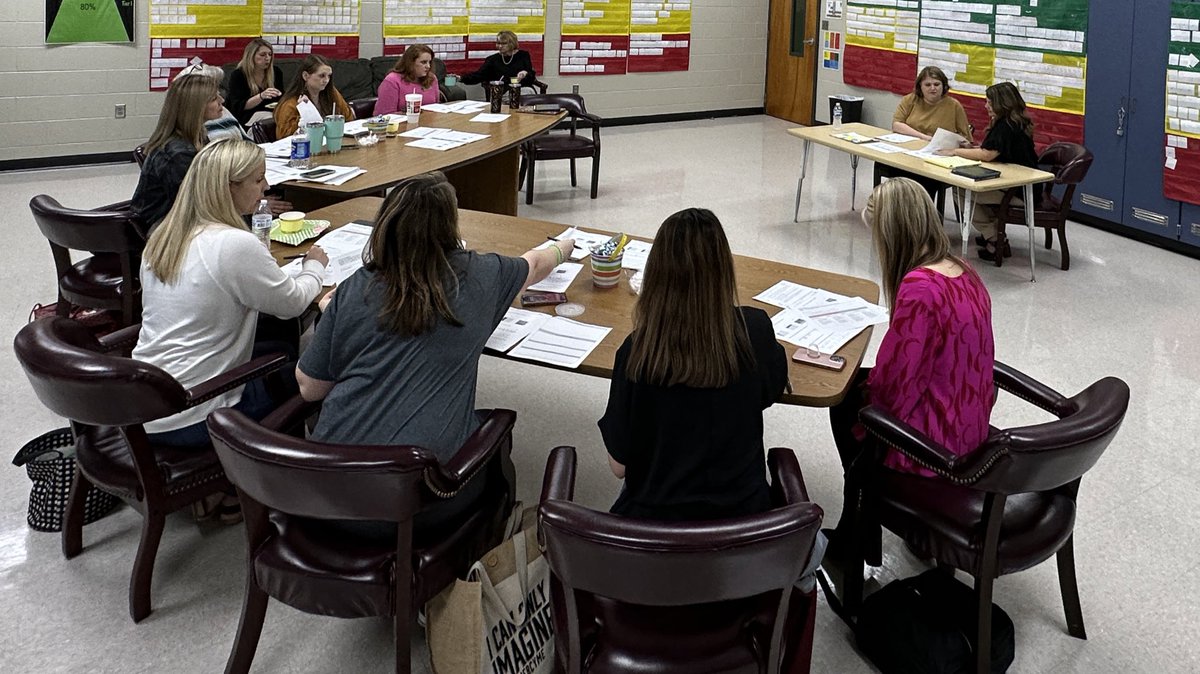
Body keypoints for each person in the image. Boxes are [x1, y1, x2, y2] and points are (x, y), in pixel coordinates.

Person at [295, 171, 575, 530]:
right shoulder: (481, 274)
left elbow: (309, 387)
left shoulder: (355, 288)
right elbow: (534, 264)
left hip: (325, 491)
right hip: (419, 503)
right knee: (492, 431)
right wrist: (563, 247)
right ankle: (489, 532)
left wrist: (333, 317)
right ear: (450, 227)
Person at [826, 177, 994, 548]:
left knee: (844, 403)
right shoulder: (963, 270)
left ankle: (858, 528)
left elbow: (895, 387)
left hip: (936, 446)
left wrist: (865, 397)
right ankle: (862, 523)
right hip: (969, 425)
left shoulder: (920, 289)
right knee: (856, 387)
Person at [132, 138, 328, 451]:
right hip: (196, 412)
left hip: (144, 404)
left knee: (277, 343)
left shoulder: (162, 236)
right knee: (317, 376)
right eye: (258, 179)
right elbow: (291, 304)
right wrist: (314, 267)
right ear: (228, 187)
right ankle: (285, 465)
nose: (266, 187)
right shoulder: (234, 244)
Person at [597, 208, 788, 522]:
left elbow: (619, 466)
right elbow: (770, 390)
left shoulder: (638, 350)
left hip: (655, 530)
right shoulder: (755, 330)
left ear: (656, 275)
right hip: (743, 528)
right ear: (724, 269)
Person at [938, 81, 1039, 260]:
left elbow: (987, 155)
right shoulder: (1017, 122)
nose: (986, 106)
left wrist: (955, 151)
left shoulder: (1006, 126)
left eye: (990, 102)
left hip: (1018, 191)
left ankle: (994, 237)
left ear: (1002, 104)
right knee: (970, 192)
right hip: (1024, 186)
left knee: (961, 190)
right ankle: (995, 234)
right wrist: (971, 149)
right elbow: (996, 151)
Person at [130, 74, 223, 233]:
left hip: (179, 218)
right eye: (214, 98)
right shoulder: (178, 154)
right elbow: (194, 206)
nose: (222, 101)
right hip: (165, 227)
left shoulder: (196, 136)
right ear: (196, 106)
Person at [875, 66, 974, 198]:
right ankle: (899, 206)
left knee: (925, 179)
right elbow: (897, 125)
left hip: (936, 158)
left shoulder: (954, 105)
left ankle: (923, 209)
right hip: (908, 153)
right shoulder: (910, 100)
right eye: (928, 85)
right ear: (920, 86)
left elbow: (966, 137)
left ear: (944, 86)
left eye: (937, 84)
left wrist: (961, 143)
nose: (933, 88)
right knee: (896, 171)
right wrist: (923, 137)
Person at [274, 54, 354, 138]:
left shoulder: (331, 92)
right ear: (305, 76)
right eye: (321, 76)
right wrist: (304, 114)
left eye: (329, 76)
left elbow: (349, 118)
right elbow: (284, 137)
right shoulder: (290, 104)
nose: (326, 80)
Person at [226, 38, 284, 126]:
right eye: (262, 55)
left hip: (272, 111)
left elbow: (281, 96)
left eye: (270, 54)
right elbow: (238, 107)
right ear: (251, 56)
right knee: (272, 119)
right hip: (247, 115)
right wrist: (261, 96)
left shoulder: (276, 72)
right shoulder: (239, 75)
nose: (267, 58)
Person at [374, 44, 440, 115]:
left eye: (429, 62)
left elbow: (436, 107)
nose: (428, 66)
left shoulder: (432, 78)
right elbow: (384, 115)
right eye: (423, 62)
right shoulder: (392, 81)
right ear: (410, 63)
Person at [457, 30, 537, 89]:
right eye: (498, 43)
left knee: (527, 92)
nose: (500, 46)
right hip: (503, 91)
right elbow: (479, 75)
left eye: (503, 43)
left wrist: (525, 73)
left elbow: (531, 76)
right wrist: (461, 78)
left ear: (512, 43)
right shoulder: (492, 59)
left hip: (523, 88)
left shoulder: (523, 55)